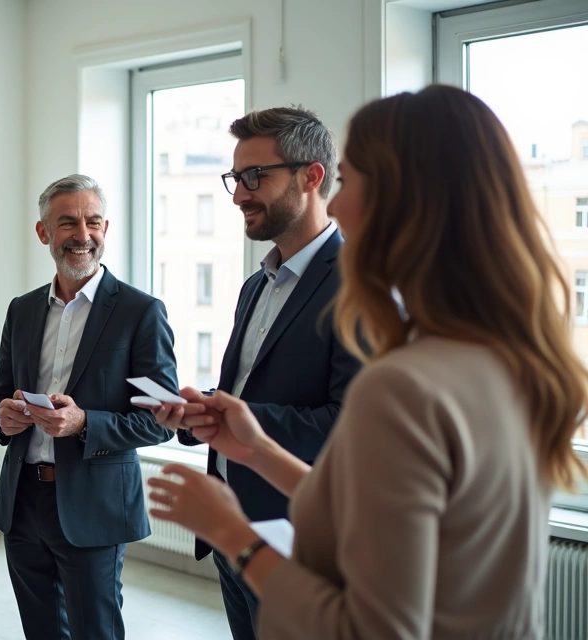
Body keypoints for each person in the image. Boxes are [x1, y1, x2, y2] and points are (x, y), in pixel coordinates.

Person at [147, 84, 586, 639]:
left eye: (349, 180)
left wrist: (234, 535)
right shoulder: (506, 355)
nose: (334, 204)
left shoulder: (406, 382)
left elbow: (374, 629)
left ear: (406, 202)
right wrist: (257, 449)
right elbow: (379, 511)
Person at [172, 106, 360, 640]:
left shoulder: (357, 287)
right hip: (232, 531)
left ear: (312, 176)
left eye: (255, 176)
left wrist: (240, 419)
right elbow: (247, 392)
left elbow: (347, 426)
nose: (238, 195)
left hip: (298, 536)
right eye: (235, 178)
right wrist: (201, 411)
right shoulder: (255, 285)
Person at [0, 174, 178, 640]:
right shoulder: (22, 309)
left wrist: (83, 422)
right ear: (43, 232)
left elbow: (162, 421)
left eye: (93, 222)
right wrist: (2, 419)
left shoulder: (140, 312)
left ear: (105, 229)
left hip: (95, 506)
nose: (82, 234)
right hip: (23, 503)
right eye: (68, 222)